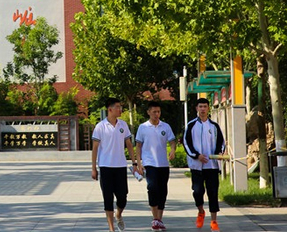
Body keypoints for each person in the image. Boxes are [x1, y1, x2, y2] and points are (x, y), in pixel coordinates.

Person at [91, 98, 137, 232]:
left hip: (120, 166)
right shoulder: (100, 126)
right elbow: (95, 148)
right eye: (117, 107)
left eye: (120, 107)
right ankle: (111, 228)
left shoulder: (123, 125)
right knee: (108, 198)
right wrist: (93, 168)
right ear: (110, 109)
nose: (120, 109)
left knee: (123, 197)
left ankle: (119, 214)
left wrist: (134, 163)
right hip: (105, 167)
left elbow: (129, 145)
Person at [183, 98, 225, 232]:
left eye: (205, 106)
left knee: (213, 193)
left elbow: (221, 142)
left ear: (208, 108)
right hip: (197, 166)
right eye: (200, 106)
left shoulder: (214, 126)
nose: (202, 109)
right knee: (197, 192)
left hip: (212, 166)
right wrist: (197, 155)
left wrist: (219, 153)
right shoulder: (191, 125)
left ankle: (214, 221)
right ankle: (201, 211)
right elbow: (186, 143)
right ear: (197, 108)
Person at [135, 101, 177, 231]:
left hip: (163, 163)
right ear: (148, 112)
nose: (156, 114)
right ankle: (155, 218)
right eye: (154, 112)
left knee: (163, 190)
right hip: (149, 163)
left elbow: (172, 141)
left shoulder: (165, 126)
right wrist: (139, 163)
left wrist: (173, 150)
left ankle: (159, 219)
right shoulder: (143, 127)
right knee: (152, 187)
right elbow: (138, 146)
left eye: (158, 112)